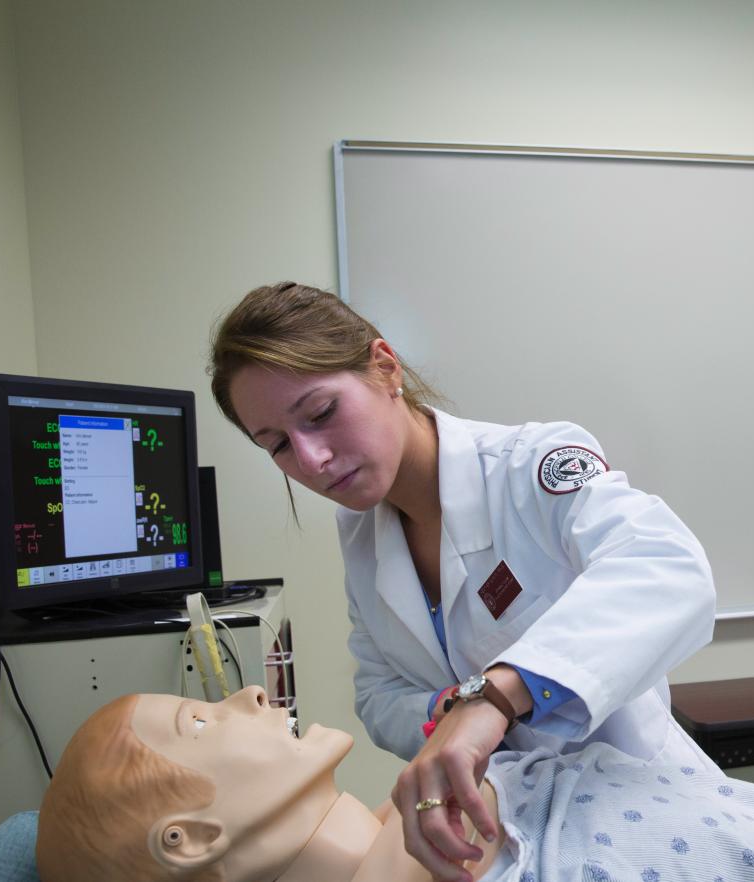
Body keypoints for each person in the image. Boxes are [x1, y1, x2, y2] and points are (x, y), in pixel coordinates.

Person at [207, 283, 718, 878]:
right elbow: (378, 693)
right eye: (278, 446)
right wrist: (449, 708)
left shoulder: (532, 465)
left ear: (384, 367)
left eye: (320, 414)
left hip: (642, 810)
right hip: (514, 828)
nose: (311, 459)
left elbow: (666, 568)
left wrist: (497, 696)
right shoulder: (361, 534)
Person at [35, 687, 754, 882]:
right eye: (202, 718)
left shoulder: (447, 796)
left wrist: (497, 699)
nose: (247, 692)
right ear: (190, 838)